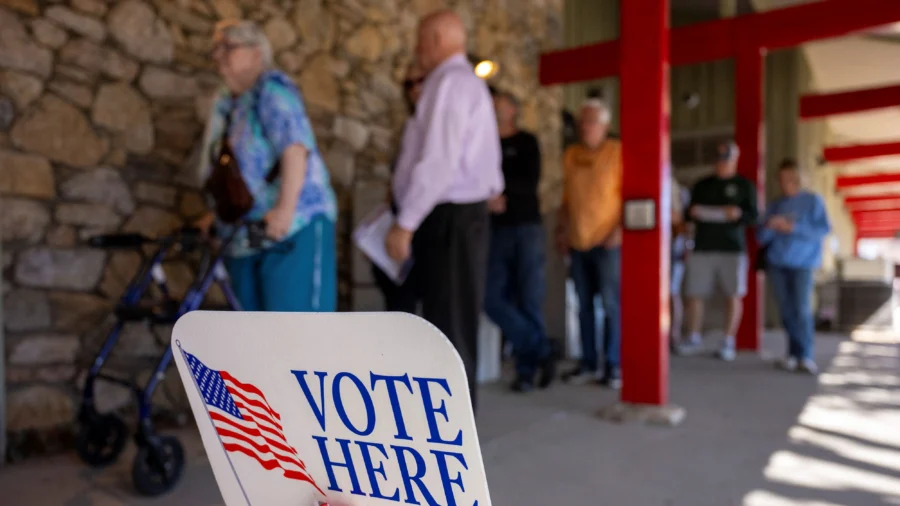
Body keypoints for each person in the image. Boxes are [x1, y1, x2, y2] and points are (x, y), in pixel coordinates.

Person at [385, 10, 503, 411]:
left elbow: (439, 161)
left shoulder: (450, 83)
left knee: (448, 326)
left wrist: (405, 223)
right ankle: (446, 421)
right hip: (454, 216)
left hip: (450, 216)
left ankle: (450, 428)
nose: (417, 50)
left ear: (436, 39)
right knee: (447, 320)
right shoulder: (461, 83)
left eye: (420, 40)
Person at [195, 20, 338, 311]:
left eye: (228, 47)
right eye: (215, 48)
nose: (217, 55)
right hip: (244, 237)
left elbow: (295, 149)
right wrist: (215, 215)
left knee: (294, 331)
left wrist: (284, 211)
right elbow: (235, 171)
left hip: (290, 229)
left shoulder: (271, 91)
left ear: (256, 53)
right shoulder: (228, 104)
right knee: (255, 338)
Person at [484, 88, 556, 393]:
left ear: (513, 109)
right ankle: (541, 348)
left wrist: (500, 194)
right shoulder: (483, 144)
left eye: (501, 102)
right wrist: (488, 199)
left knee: (529, 296)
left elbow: (529, 183)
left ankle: (526, 371)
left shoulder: (526, 142)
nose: (495, 107)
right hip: (495, 229)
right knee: (490, 297)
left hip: (525, 227)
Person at [556, 99, 623, 389]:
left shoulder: (618, 153)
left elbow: (629, 195)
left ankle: (613, 364)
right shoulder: (570, 155)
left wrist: (619, 230)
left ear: (605, 126)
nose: (585, 126)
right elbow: (567, 198)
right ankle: (587, 362)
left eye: (592, 121)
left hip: (608, 242)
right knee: (583, 305)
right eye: (582, 121)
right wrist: (562, 230)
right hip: (578, 240)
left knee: (611, 305)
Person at [678, 141, 758, 360]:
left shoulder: (744, 186)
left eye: (726, 160)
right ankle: (693, 336)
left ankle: (727, 340)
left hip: (732, 249)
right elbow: (687, 214)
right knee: (695, 293)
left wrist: (738, 214)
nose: (721, 164)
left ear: (734, 160)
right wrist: (692, 213)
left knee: (732, 294)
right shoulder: (702, 185)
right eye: (718, 160)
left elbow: (754, 217)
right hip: (703, 246)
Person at [759, 159, 831, 374]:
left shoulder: (813, 201)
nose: (785, 183)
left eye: (790, 178)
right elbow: (761, 237)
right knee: (786, 310)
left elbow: (822, 230)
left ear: (799, 178)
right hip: (777, 263)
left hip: (803, 263)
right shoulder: (776, 205)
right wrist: (772, 225)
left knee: (802, 309)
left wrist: (793, 227)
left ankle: (806, 355)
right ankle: (792, 353)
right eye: (781, 179)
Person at [371, 63, 425, 314]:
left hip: (422, 218)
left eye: (420, 81)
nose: (414, 89)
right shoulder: (410, 125)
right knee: (392, 284)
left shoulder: (436, 124)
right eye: (408, 84)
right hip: (401, 212)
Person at [670, 175, 691, 349]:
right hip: (653, 251)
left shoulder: (679, 191)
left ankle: (674, 334)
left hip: (675, 251)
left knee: (673, 293)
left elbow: (683, 222)